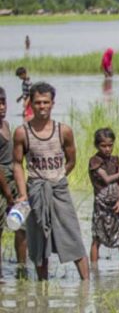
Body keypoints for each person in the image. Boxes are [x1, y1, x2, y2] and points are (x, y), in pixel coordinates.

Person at [12, 82, 89, 281]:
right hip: (36, 190)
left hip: (59, 189)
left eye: (46, 102)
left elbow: (71, 160)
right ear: (31, 104)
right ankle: (42, 289)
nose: (42, 107)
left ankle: (87, 287)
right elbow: (17, 164)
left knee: (73, 238)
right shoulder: (22, 132)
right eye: (38, 102)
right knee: (39, 244)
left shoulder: (63, 131)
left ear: (53, 103)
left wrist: (59, 176)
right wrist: (22, 194)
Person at [88, 128, 119, 262]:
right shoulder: (95, 161)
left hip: (115, 205)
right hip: (101, 205)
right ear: (97, 146)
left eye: (110, 145)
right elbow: (106, 179)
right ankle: (94, 271)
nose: (107, 149)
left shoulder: (115, 160)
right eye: (103, 146)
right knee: (97, 238)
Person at [0, 86, 28, 277]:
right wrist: (9, 196)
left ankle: (21, 269)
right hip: (2, 183)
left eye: (3, 102)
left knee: (22, 226)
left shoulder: (7, 125)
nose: (1, 107)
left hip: (13, 181)